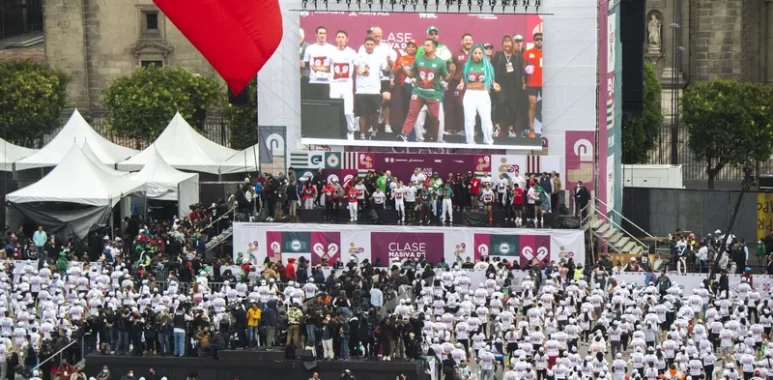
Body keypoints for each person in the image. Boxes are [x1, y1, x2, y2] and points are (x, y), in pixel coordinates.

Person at [397, 38, 455, 143]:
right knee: (412, 113)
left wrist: (452, 72)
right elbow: (411, 74)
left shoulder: (440, 62)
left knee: (435, 117)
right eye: (424, 45)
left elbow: (446, 78)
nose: (425, 47)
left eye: (428, 45)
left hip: (433, 94)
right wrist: (403, 67)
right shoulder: (418, 59)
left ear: (434, 48)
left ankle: (433, 135)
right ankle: (404, 134)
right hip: (418, 92)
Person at [457, 44, 500, 145]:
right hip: (470, 94)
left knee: (486, 119)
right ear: (472, 53)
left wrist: (495, 84)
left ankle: (488, 140)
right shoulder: (467, 65)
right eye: (475, 53)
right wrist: (461, 84)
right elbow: (463, 78)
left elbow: (492, 80)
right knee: (469, 118)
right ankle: (470, 141)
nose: (477, 55)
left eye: (480, 53)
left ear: (483, 54)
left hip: (483, 94)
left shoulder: (488, 65)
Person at [319, 30, 358, 139]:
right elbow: (326, 67)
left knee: (348, 110)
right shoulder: (331, 52)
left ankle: (350, 132)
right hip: (335, 85)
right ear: (336, 39)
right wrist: (316, 67)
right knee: (334, 109)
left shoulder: (352, 52)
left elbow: (357, 68)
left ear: (347, 39)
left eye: (343, 37)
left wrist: (364, 71)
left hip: (347, 85)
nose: (341, 39)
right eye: (339, 37)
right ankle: (334, 131)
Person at [355, 37, 389, 140]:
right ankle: (362, 135)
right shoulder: (358, 56)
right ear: (364, 45)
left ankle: (374, 133)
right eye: (367, 44)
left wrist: (391, 64)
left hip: (374, 90)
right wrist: (362, 71)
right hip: (361, 90)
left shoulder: (379, 57)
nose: (369, 46)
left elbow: (386, 71)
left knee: (375, 115)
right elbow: (356, 69)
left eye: (371, 44)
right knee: (363, 115)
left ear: (374, 45)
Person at [303, 26, 335, 100]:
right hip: (314, 82)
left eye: (324, 33)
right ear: (316, 35)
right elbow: (306, 65)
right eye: (320, 33)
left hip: (328, 82)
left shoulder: (332, 49)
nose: (322, 35)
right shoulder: (310, 48)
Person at [523, 32, 543, 138]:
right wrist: (523, 82)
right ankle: (532, 129)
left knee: (548, 107)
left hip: (546, 83)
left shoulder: (549, 52)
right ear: (534, 40)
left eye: (541, 39)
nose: (539, 41)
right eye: (537, 39)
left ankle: (547, 128)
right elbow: (522, 69)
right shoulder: (527, 53)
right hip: (531, 83)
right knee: (532, 105)